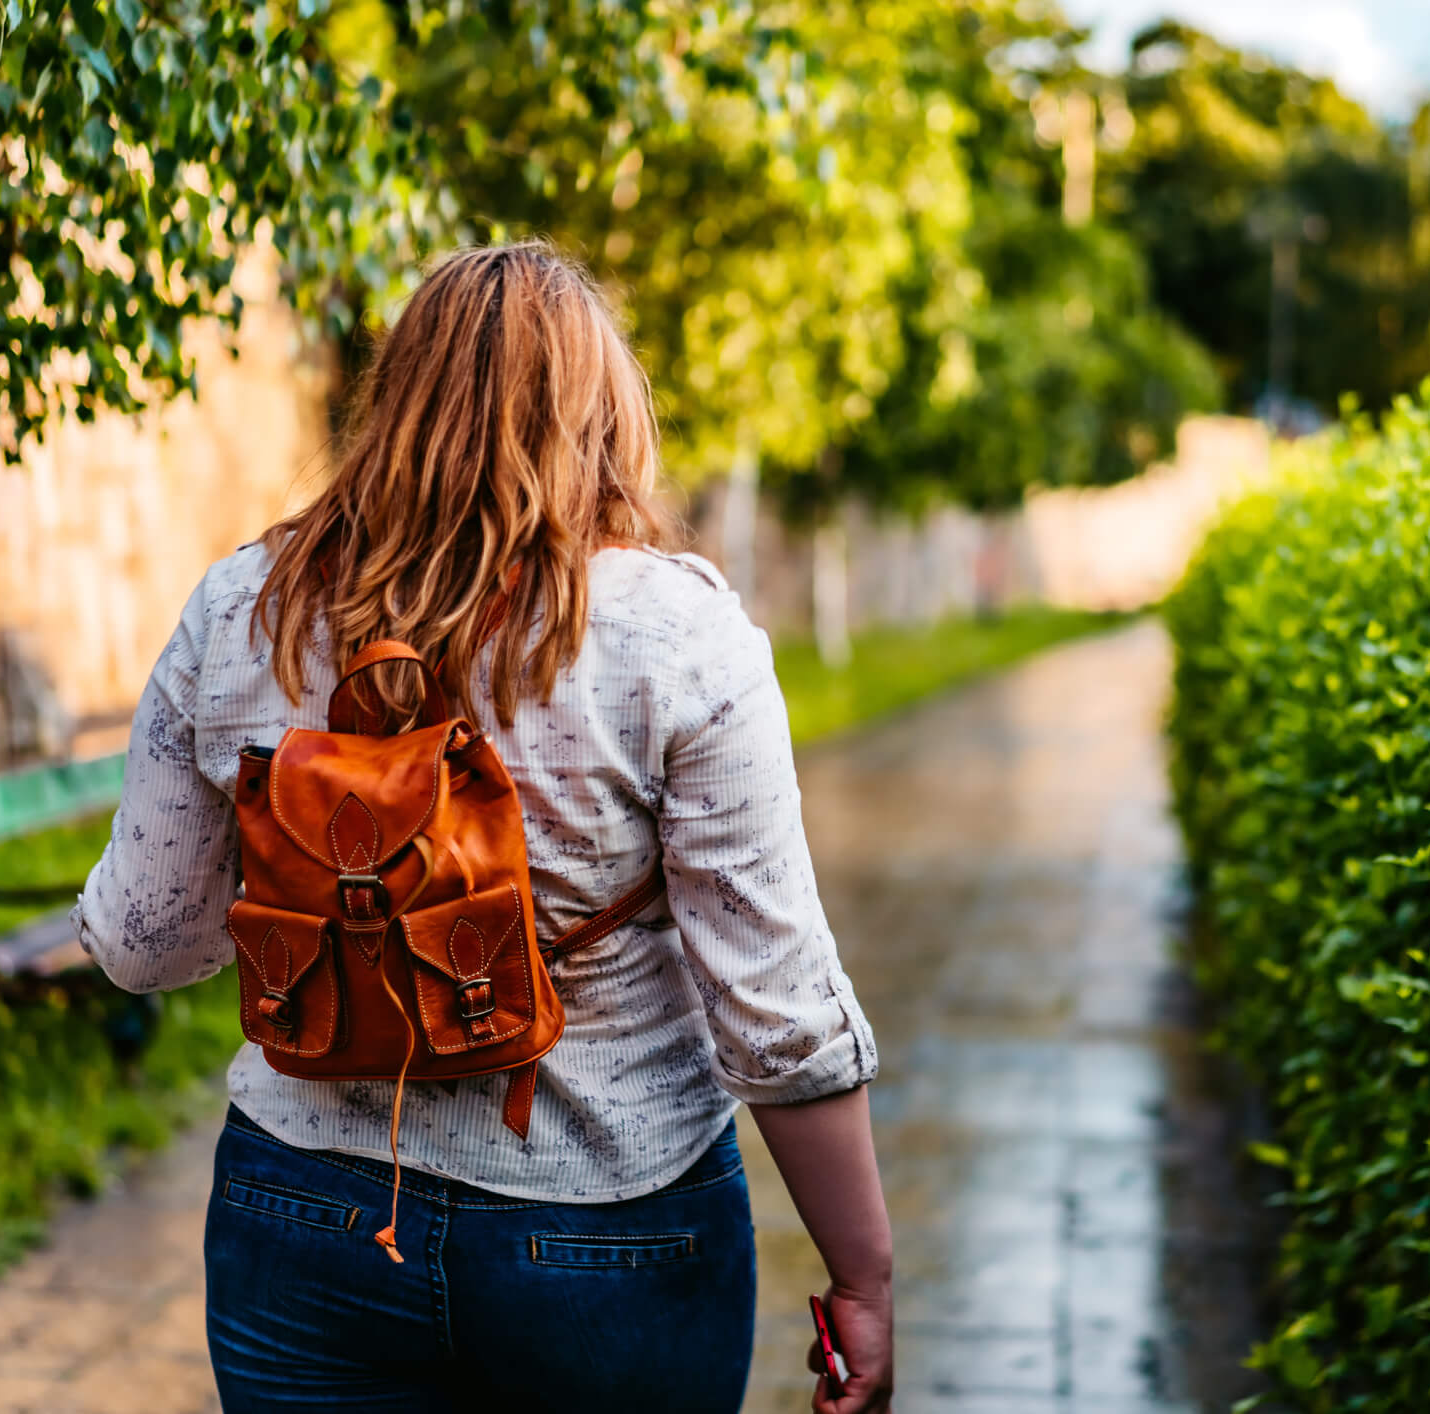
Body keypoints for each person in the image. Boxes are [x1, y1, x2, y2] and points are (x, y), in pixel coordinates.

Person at [72, 241, 895, 1414]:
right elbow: (777, 1018)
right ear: (601, 421)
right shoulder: (675, 636)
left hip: (300, 1214)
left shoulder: (245, 608)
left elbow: (145, 939)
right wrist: (862, 1274)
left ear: (394, 404)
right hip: (610, 1231)